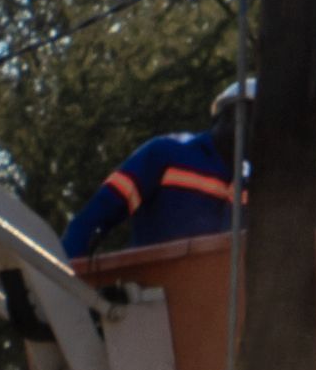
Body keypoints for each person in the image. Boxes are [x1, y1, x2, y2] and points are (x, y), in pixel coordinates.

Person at [65, 79, 255, 260]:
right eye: (254, 120)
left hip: (218, 291)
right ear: (229, 116)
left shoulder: (255, 182)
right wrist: (58, 278)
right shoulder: (168, 154)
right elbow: (96, 214)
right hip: (150, 289)